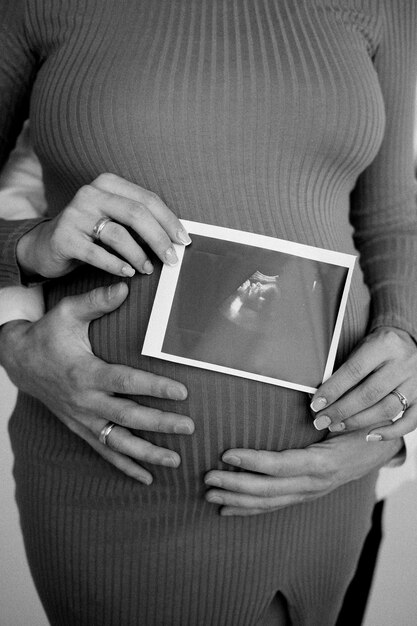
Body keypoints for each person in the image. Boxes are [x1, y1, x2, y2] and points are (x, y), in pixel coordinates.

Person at [0, 2, 416, 625]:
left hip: (330, 480)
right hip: (115, 481)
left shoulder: (386, 8)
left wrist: (402, 367)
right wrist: (26, 251)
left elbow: (391, 222)